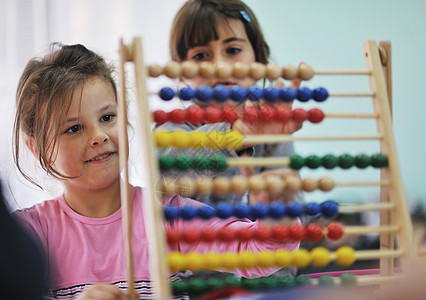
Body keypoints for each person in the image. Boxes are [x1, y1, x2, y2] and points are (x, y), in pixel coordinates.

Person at [12, 43, 300, 300]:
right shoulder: (30, 234)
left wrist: (280, 211)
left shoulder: (165, 217)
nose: (98, 135)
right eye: (73, 128)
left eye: (108, 117)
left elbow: (257, 253)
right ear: (36, 148)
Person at [160, 0, 304, 206]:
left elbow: (297, 212)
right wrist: (233, 136)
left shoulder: (271, 131)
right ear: (180, 73)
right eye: (200, 55)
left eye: (233, 50)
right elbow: (164, 182)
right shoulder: (171, 130)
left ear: (259, 61)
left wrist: (277, 202)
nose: (220, 66)